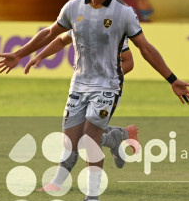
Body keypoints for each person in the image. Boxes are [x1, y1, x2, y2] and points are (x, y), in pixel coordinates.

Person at [0, 0, 189, 201]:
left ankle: (92, 197)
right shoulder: (73, 7)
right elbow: (53, 34)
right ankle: (118, 137)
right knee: (71, 142)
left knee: (89, 141)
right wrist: (21, 54)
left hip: (108, 85)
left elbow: (145, 49)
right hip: (78, 84)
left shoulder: (124, 13)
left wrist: (172, 79)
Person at [26, 31, 138, 169]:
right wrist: (40, 56)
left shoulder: (113, 28)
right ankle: (116, 136)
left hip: (104, 90)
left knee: (85, 137)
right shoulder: (81, 18)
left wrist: (105, 79)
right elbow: (61, 39)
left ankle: (63, 183)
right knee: (76, 137)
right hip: (81, 88)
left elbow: (129, 61)